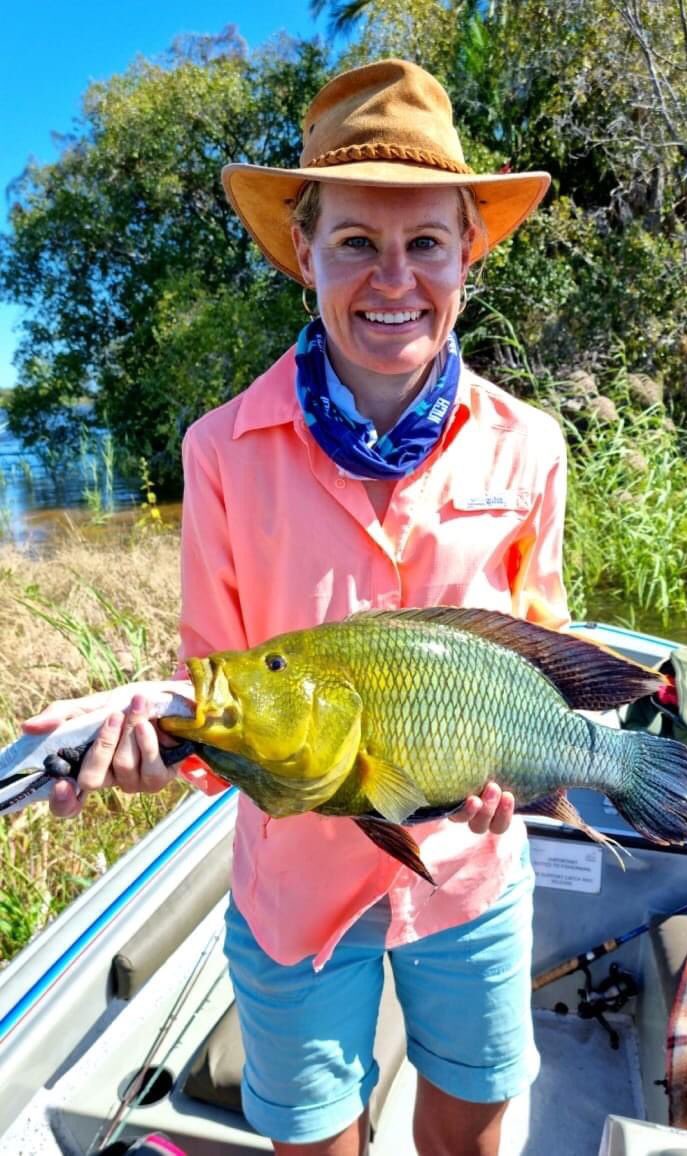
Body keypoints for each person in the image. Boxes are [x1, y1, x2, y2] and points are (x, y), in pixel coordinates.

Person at [27, 59, 570, 1155]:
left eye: (425, 242)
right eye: (356, 243)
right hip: (292, 891)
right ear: (305, 257)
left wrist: (525, 776)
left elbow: (542, 649)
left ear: (467, 254)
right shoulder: (221, 453)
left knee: (466, 1131)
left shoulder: (532, 444)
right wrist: (156, 739)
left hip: (468, 879)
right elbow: (222, 685)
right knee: (312, 1141)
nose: (394, 278)